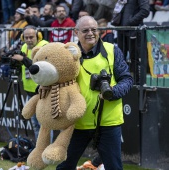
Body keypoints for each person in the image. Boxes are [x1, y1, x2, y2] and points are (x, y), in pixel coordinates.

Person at [56, 16, 133, 170]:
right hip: (78, 121)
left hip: (108, 121)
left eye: (94, 29)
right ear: (76, 32)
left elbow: (127, 79)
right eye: (85, 30)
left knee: (114, 167)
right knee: (65, 166)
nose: (90, 33)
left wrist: (113, 92)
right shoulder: (67, 55)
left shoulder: (112, 50)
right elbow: (56, 80)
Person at [11, 25, 49, 142]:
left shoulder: (44, 46)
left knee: (45, 125)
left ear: (38, 36)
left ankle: (46, 151)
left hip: (43, 91)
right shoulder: (24, 47)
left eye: (31, 37)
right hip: (29, 91)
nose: (28, 40)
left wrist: (23, 59)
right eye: (26, 37)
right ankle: (39, 149)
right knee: (35, 124)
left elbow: (38, 67)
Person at [114, 0, 150, 84]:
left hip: (135, 31)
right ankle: (122, 83)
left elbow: (145, 10)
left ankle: (139, 86)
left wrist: (130, 22)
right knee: (120, 58)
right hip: (122, 31)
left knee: (137, 60)